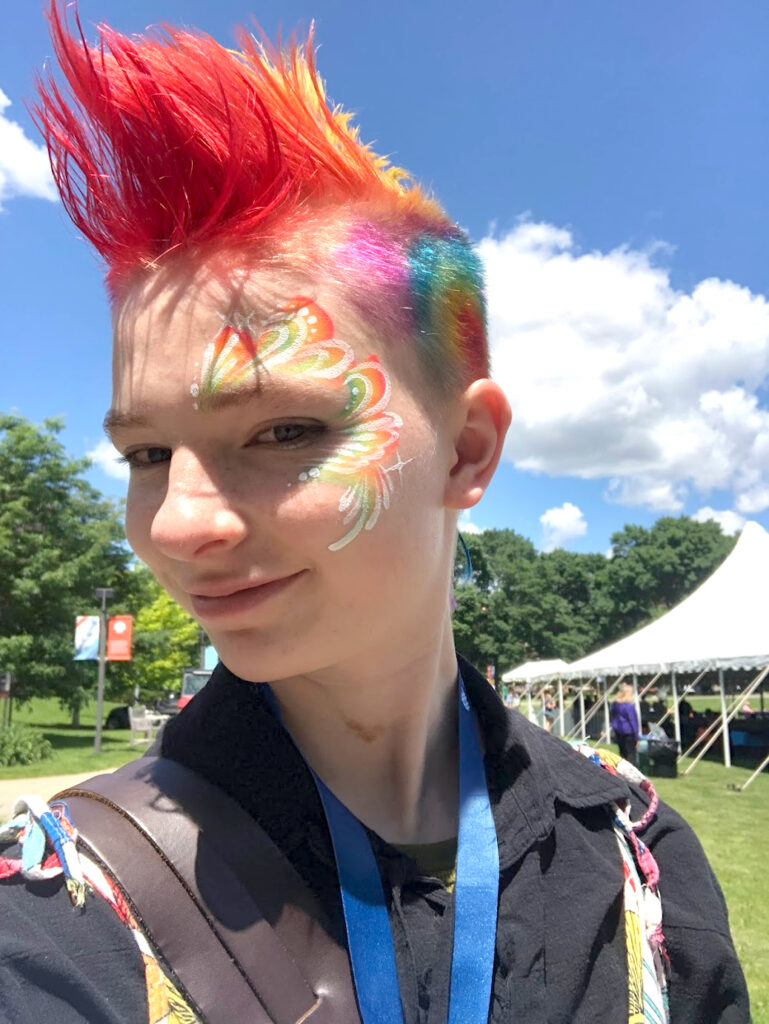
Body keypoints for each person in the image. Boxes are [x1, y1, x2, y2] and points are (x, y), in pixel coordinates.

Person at [0, 4, 750, 1022]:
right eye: (147, 454)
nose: (176, 525)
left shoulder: (634, 856)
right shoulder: (66, 916)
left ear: (468, 449)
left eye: (282, 431)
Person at [610, 681, 641, 765]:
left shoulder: (615, 704)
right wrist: (636, 737)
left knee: (622, 753)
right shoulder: (629, 706)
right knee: (630, 754)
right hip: (628, 732)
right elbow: (633, 721)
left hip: (618, 731)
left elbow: (612, 717)